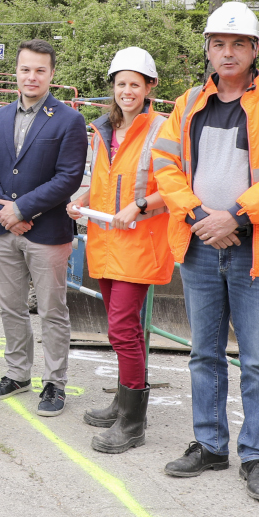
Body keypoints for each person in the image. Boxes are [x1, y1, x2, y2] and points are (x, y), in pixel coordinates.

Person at [152, 2, 259, 503]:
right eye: (218, 43)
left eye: (238, 44)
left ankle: (256, 455)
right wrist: (201, 218)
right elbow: (166, 167)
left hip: (253, 250)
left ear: (255, 49)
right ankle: (211, 444)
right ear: (207, 48)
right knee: (204, 353)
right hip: (201, 247)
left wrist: (236, 216)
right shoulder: (188, 104)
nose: (227, 52)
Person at [67, 47, 172, 452]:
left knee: (123, 331)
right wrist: (81, 199)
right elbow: (104, 185)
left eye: (135, 84)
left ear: (150, 88)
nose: (127, 91)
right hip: (105, 241)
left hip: (139, 245)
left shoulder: (162, 130)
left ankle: (132, 423)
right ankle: (123, 401)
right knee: (118, 330)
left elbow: (175, 187)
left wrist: (140, 205)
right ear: (113, 87)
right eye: (121, 84)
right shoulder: (105, 131)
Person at [0, 38, 87, 416]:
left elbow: (68, 178)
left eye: (40, 70)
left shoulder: (70, 120)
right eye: (25, 69)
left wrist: (23, 209)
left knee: (53, 311)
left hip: (47, 233)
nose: (32, 76)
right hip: (4, 232)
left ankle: (55, 382)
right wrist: (5, 210)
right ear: (16, 72)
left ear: (52, 74)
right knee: (11, 307)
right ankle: (17, 373)